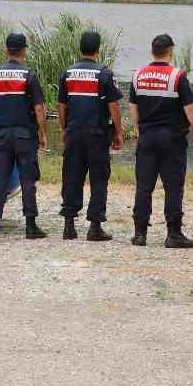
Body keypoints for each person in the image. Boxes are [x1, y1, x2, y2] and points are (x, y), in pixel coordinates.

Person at [127, 33, 193, 248]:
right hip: (172, 138)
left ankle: (140, 233)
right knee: (173, 187)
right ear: (170, 51)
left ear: (152, 51)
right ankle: (174, 234)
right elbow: (190, 108)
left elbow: (133, 106)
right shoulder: (177, 76)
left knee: (144, 186)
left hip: (147, 137)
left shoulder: (138, 75)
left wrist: (137, 128)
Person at [0, 32, 49, 241]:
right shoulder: (30, 75)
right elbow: (39, 109)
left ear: (6, 50)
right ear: (24, 51)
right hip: (25, 136)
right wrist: (43, 133)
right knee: (28, 179)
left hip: (0, 135)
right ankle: (30, 227)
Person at [56, 29, 123, 242]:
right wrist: (118, 132)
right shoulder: (105, 73)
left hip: (74, 132)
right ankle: (95, 226)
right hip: (97, 134)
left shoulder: (68, 73)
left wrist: (63, 128)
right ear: (98, 49)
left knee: (72, 177)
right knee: (99, 178)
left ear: (80, 48)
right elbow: (113, 105)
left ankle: (69, 225)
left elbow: (61, 105)